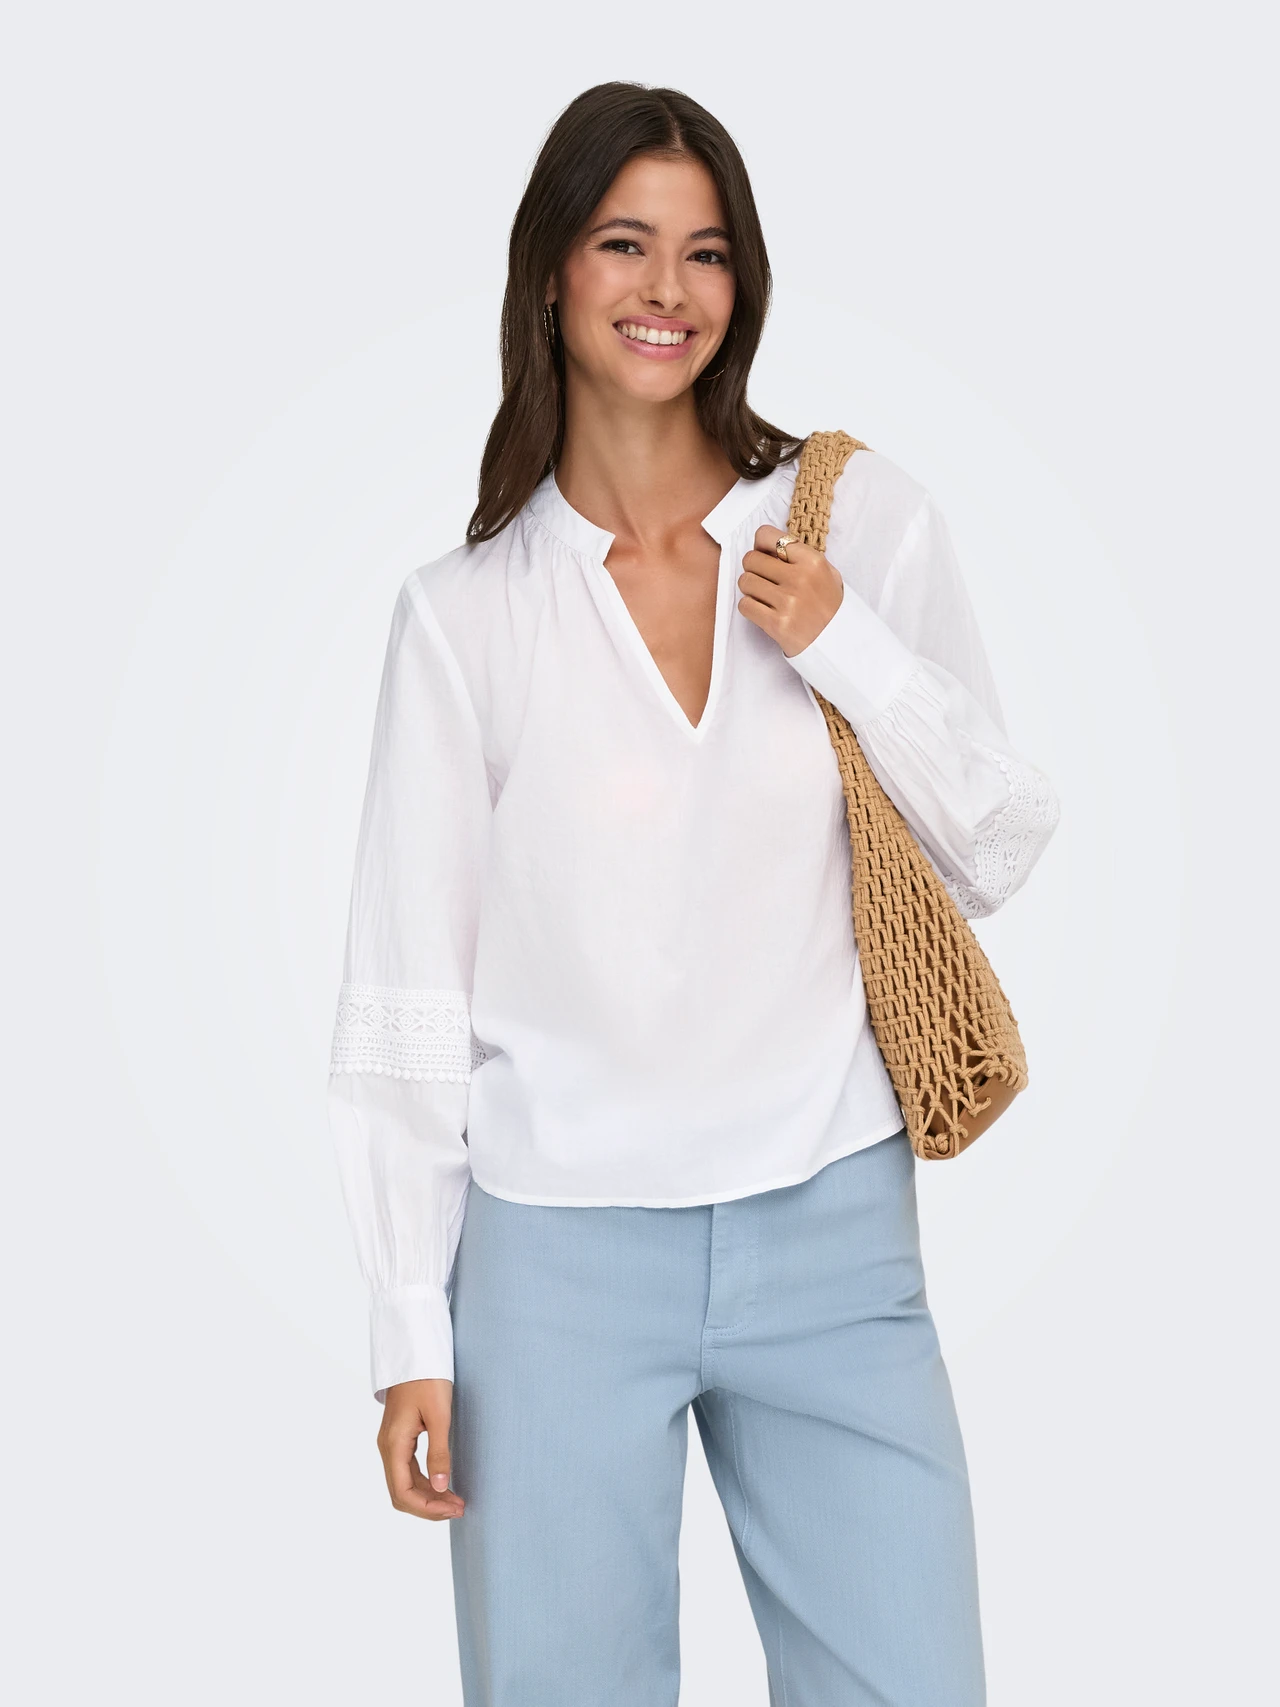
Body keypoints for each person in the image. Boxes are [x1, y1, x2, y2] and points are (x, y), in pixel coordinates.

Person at [327, 80, 1060, 1707]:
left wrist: (844, 641)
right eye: (625, 243)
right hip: (553, 1264)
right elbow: (406, 991)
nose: (668, 288)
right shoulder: (467, 614)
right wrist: (408, 1329)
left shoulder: (856, 521)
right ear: (551, 275)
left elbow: (1000, 842)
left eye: (706, 251)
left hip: (834, 1230)